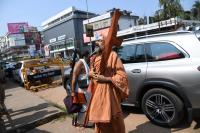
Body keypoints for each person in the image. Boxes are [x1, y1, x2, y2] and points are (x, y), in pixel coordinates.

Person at [86, 38, 129, 133]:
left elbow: (122, 76)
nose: (97, 43)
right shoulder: (94, 57)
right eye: (97, 42)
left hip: (110, 96)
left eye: (100, 41)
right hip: (97, 94)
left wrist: (106, 79)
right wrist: (90, 74)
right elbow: (91, 73)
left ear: (106, 43)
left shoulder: (113, 55)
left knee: (114, 122)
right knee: (100, 122)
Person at [71, 50, 91, 126]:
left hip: (85, 89)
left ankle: (83, 121)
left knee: (85, 105)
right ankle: (81, 122)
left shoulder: (84, 63)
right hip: (80, 90)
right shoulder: (80, 63)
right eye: (89, 55)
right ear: (86, 55)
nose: (90, 57)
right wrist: (73, 92)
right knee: (83, 107)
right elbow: (74, 77)